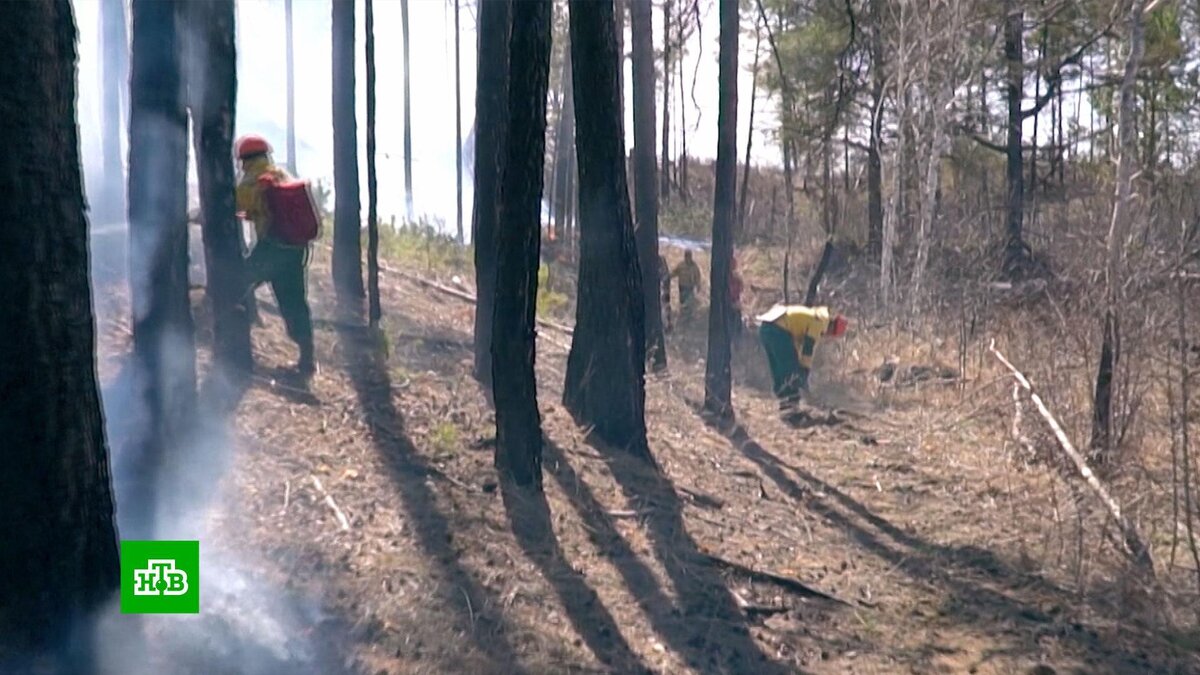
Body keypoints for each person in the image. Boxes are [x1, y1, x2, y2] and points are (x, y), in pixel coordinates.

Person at [235, 134, 316, 376]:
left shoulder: (252, 182)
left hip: (271, 249)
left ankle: (228, 344)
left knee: (236, 284)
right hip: (295, 251)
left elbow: (232, 204)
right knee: (295, 304)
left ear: (244, 160)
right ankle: (307, 360)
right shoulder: (281, 175)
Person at [756, 304, 848, 412]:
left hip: (765, 329)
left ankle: (785, 403)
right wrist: (804, 370)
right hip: (778, 331)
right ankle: (791, 406)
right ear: (832, 328)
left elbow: (797, 347)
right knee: (791, 372)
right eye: (831, 334)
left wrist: (801, 366)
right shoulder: (819, 322)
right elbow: (808, 347)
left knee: (778, 370)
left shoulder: (812, 317)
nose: (827, 336)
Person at [670, 250, 703, 318]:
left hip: (690, 287)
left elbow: (697, 276)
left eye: (689, 256)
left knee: (689, 302)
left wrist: (698, 285)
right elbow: (675, 272)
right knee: (682, 302)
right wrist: (668, 277)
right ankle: (683, 315)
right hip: (682, 287)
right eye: (686, 256)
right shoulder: (681, 265)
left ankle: (688, 316)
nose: (687, 258)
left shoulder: (694, 266)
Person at [728, 254, 744, 338]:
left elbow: (741, 288)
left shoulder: (736, 277)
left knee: (736, 318)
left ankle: (737, 335)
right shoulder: (725, 277)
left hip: (735, 301)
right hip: (727, 302)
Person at [659, 254, 673, 334]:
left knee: (665, 307)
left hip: (663, 292)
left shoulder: (661, 261)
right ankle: (667, 325)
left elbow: (666, 278)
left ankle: (667, 325)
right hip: (663, 291)